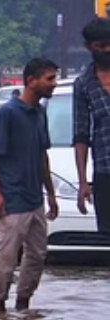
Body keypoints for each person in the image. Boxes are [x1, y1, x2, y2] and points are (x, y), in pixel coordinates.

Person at [0, 58, 59, 312]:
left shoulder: (39, 113)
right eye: (49, 79)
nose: (54, 84)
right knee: (6, 258)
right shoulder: (8, 113)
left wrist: (51, 193)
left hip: (34, 198)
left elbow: (42, 156)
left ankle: (23, 304)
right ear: (31, 81)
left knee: (37, 255)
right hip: (11, 199)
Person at [75, 17, 110, 234]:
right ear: (89, 47)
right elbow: (81, 134)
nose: (108, 50)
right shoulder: (84, 84)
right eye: (101, 46)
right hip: (105, 172)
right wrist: (82, 182)